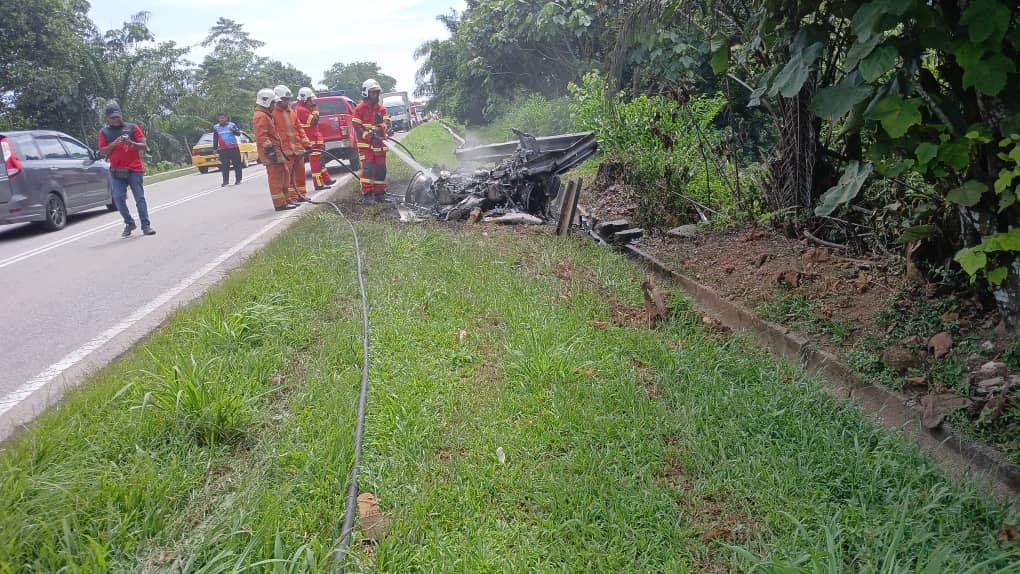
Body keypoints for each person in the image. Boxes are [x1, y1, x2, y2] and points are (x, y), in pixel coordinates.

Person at [98, 103, 155, 237]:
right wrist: (114, 143)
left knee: (139, 198)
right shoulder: (104, 132)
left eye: (117, 116)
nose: (115, 119)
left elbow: (144, 146)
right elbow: (102, 151)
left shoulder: (132, 127)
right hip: (116, 170)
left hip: (134, 169)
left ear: (121, 115)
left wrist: (131, 143)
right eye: (112, 118)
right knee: (118, 197)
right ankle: (129, 222)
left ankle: (146, 225)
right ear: (108, 118)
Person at [253, 88, 297, 211]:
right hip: (271, 153)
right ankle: (279, 204)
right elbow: (261, 136)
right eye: (273, 102)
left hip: (276, 151)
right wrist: (270, 150)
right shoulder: (260, 116)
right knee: (276, 178)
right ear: (266, 102)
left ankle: (286, 200)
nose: (274, 105)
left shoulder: (266, 114)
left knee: (284, 174)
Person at [271, 85, 313, 203]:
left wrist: (306, 143)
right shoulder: (273, 114)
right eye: (284, 99)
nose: (286, 102)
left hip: (298, 150)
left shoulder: (292, 112)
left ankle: (301, 195)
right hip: (285, 151)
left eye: (288, 99)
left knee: (300, 174)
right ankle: (292, 196)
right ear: (278, 99)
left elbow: (299, 128)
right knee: (288, 176)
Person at [351, 78, 389, 203]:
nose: (376, 95)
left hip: (379, 145)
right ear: (366, 93)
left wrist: (380, 127)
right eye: (373, 93)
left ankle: (380, 193)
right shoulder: (359, 109)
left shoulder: (381, 109)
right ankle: (368, 194)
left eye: (377, 93)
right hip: (366, 146)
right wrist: (368, 135)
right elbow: (356, 126)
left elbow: (386, 122)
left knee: (381, 170)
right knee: (368, 170)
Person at [294, 87, 335, 191]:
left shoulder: (304, 108)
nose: (312, 102)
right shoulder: (301, 110)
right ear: (304, 99)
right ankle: (318, 184)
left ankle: (326, 179)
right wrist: (315, 108)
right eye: (310, 99)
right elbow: (314, 121)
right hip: (311, 141)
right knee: (316, 163)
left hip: (315, 139)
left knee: (321, 161)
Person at [212, 112, 243, 187]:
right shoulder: (216, 127)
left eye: (223, 118)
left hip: (234, 148)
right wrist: (215, 148)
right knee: (224, 165)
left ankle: (238, 180)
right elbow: (215, 138)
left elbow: (238, 134)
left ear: (226, 118)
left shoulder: (232, 125)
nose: (221, 120)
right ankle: (225, 181)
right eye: (220, 118)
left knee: (237, 164)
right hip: (223, 149)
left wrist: (233, 130)